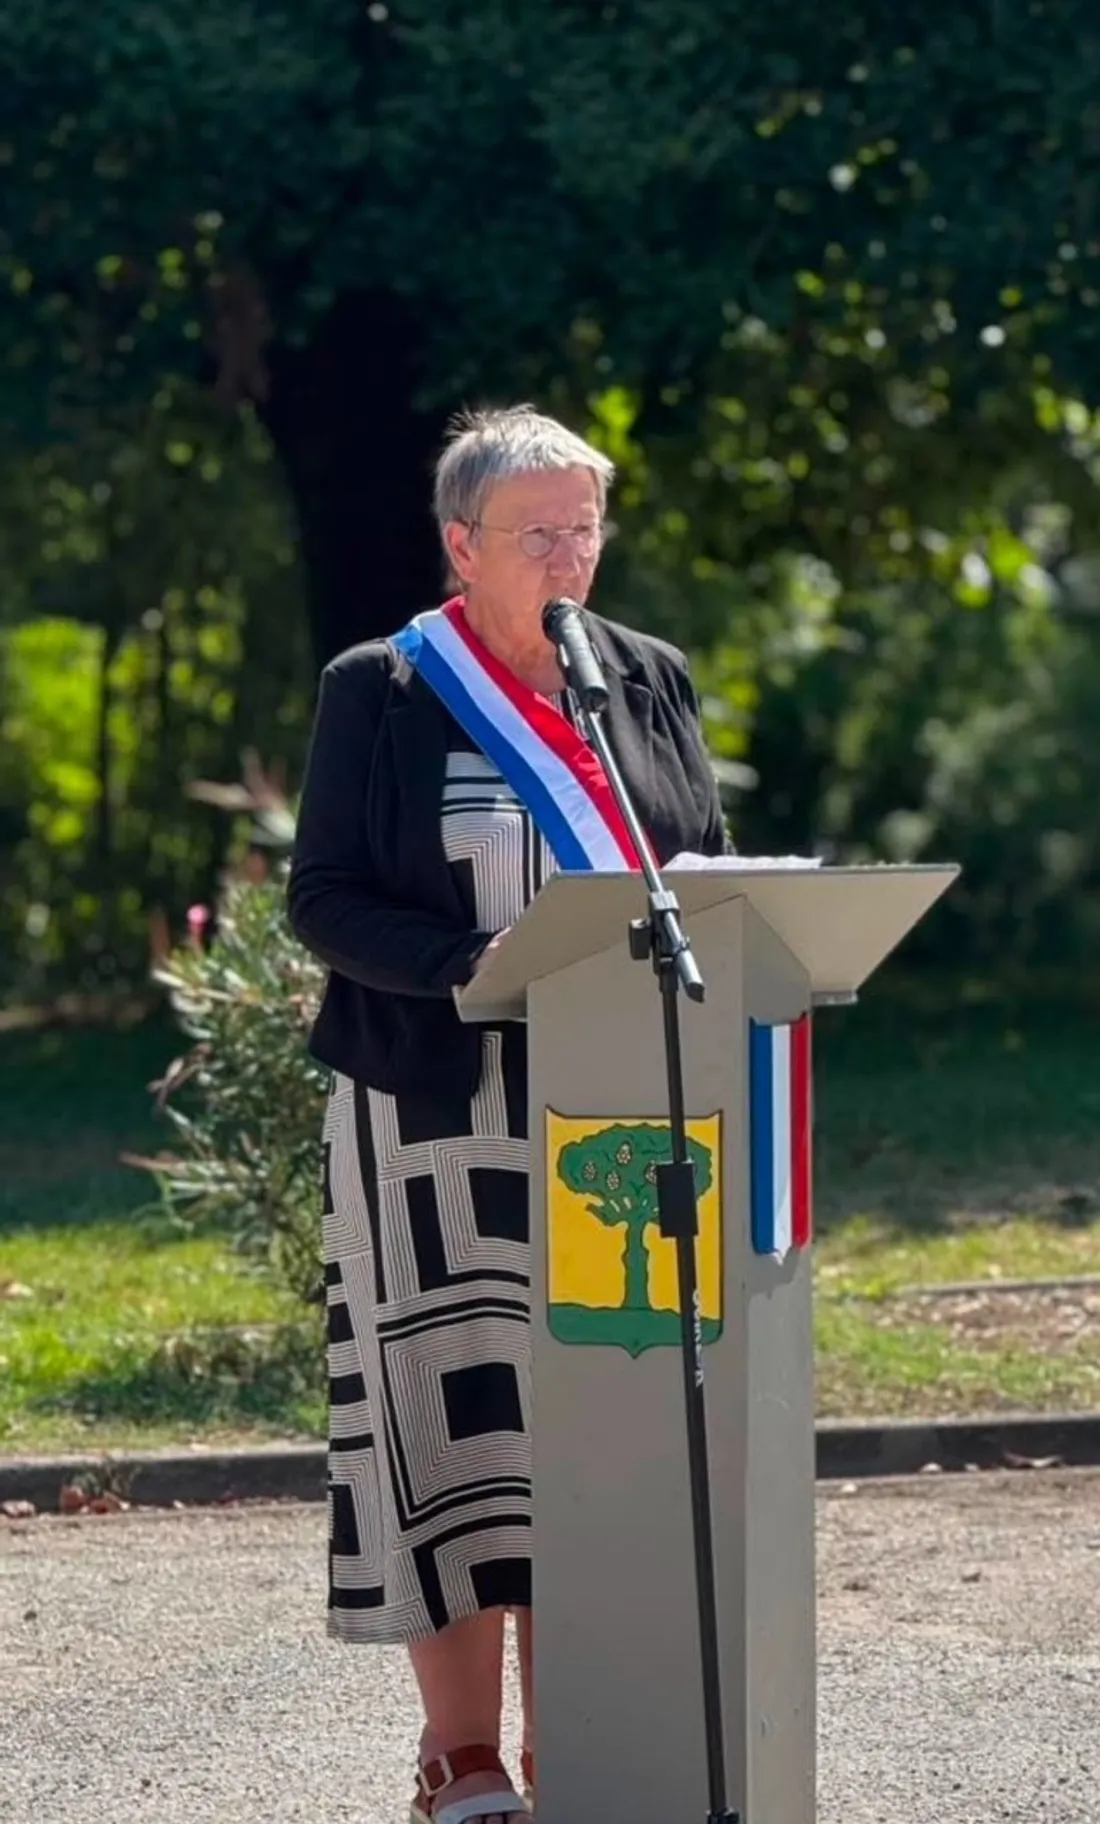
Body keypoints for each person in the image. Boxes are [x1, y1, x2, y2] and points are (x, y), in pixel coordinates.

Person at [286, 404, 730, 1824]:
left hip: (624, 1104)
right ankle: (463, 1758)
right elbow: (325, 897)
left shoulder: (646, 677)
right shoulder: (386, 688)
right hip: (434, 1110)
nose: (569, 556)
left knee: (603, 1419)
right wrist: (460, 965)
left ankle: (582, 1744)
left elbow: (703, 871)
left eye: (584, 527)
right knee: (457, 1425)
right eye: (537, 532)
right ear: (460, 546)